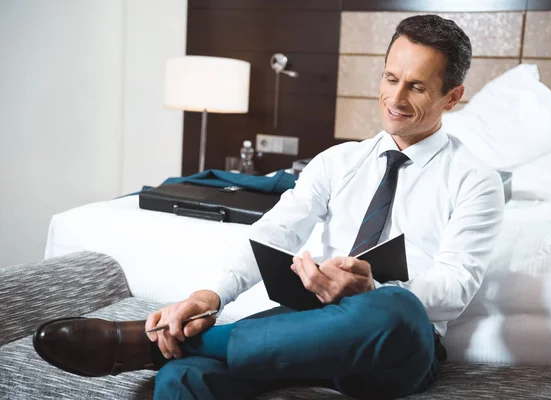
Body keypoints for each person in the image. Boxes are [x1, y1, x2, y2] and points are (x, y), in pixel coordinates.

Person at [33, 14, 505, 400]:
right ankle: (180, 352)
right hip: (311, 326)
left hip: (394, 346)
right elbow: (274, 232)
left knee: (396, 306)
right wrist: (209, 296)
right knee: (180, 379)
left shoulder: (475, 179)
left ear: (452, 96)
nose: (395, 99)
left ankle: (147, 344)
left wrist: (373, 288)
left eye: (417, 87)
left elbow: (456, 286)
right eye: (390, 78)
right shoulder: (338, 160)